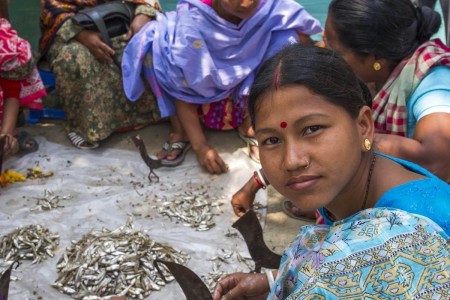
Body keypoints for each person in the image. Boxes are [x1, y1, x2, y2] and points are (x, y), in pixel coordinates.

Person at [213, 43, 450, 300]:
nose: (292, 161)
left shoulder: (394, 242)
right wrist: (275, 279)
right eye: (272, 140)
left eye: (312, 129)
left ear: (363, 126)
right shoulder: (374, 175)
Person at [231, 0, 450, 220]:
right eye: (270, 140)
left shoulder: (433, 81)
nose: (322, 50)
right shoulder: (369, 74)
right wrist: (258, 181)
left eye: (333, 48)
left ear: (375, 58)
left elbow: (436, 158)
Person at [122, 0, 322, 173]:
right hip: (200, 99)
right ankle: (181, 130)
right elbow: (181, 84)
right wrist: (201, 147)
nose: (246, 3)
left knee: (286, 39)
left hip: (244, 100)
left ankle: (253, 124)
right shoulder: (191, 23)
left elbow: (306, 42)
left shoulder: (270, 8)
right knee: (158, 47)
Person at [38, 0, 163, 150]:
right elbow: (52, 12)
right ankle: (81, 127)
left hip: (118, 21)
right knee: (74, 57)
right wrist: (82, 35)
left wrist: (142, 15)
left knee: (148, 43)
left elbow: (148, 2)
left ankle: (145, 115)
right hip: (72, 31)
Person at [1, 17, 46, 159]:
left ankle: (9, 136)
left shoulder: (5, 46)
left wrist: (6, 135)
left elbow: (11, 93)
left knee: (7, 141)